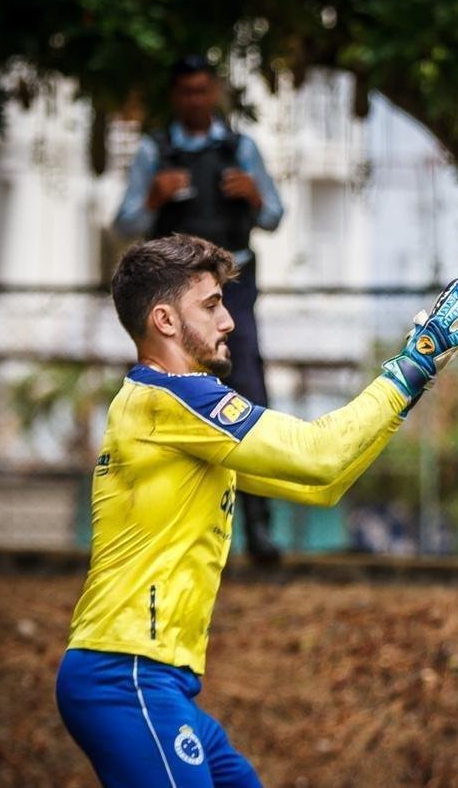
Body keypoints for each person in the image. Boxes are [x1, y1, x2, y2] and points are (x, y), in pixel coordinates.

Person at [56, 234, 458, 787]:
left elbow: (320, 484)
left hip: (152, 678)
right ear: (164, 320)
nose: (228, 321)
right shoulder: (176, 398)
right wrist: (411, 365)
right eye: (211, 305)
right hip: (127, 674)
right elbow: (318, 453)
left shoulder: (167, 411)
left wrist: (411, 382)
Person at [113, 54, 285, 564]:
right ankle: (155, 524)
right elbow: (124, 223)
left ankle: (259, 529)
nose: (195, 99)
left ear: (214, 93)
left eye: (203, 90)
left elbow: (275, 215)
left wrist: (255, 196)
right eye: (187, 91)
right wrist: (152, 197)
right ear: (176, 96)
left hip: (234, 290)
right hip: (170, 296)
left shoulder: (240, 148)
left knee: (247, 393)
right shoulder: (155, 151)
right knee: (163, 396)